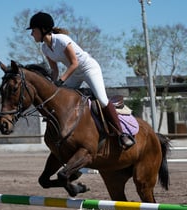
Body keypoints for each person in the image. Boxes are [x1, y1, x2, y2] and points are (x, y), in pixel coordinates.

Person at [27, 12, 135, 149]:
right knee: (60, 98)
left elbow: (74, 63)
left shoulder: (61, 40)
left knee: (102, 99)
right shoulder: (45, 48)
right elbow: (54, 70)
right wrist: (53, 84)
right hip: (75, 73)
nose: (32, 34)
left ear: (43, 29)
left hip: (89, 68)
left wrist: (61, 81)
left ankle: (122, 134)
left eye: (33, 30)